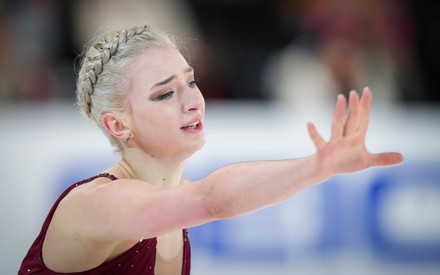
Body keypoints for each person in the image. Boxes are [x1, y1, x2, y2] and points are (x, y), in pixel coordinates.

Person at [18, 24, 403, 275]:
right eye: (165, 93)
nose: (192, 101)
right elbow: (212, 199)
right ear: (117, 124)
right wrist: (315, 167)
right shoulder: (96, 203)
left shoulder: (171, 201)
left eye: (191, 81)